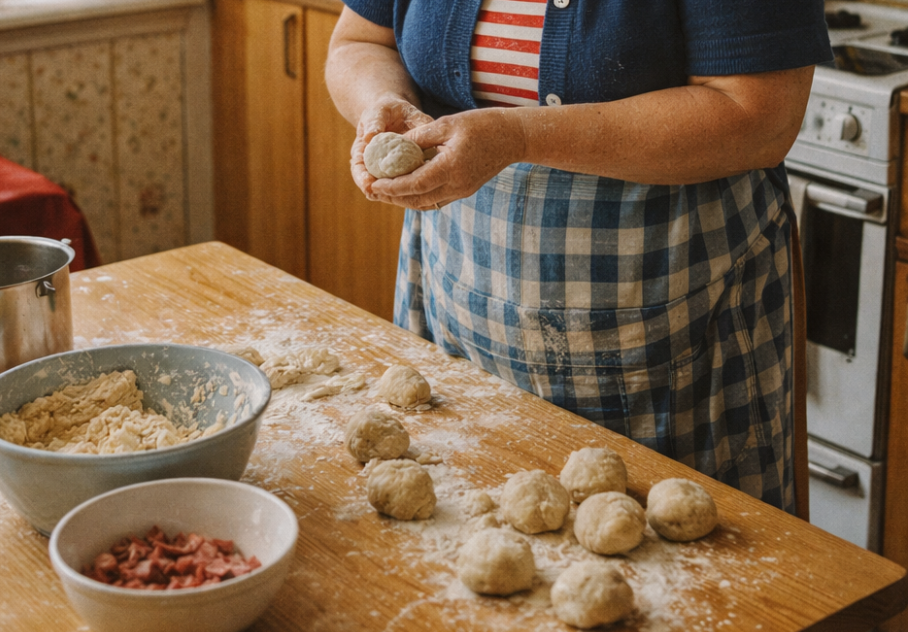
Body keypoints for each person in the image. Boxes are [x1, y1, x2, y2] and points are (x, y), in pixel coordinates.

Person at [324, 0, 833, 513]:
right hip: (454, 286)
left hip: (669, 309)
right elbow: (360, 41)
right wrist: (381, 101)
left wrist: (518, 136)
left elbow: (760, 115)